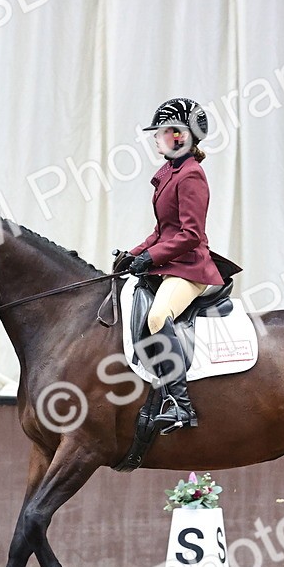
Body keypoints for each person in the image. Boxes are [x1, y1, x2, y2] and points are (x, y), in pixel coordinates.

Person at [122, 97, 224, 434]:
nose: (156, 138)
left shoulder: (192, 175)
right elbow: (161, 230)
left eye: (163, 133)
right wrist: (132, 254)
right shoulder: (169, 171)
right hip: (170, 265)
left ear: (181, 136)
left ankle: (180, 404)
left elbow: (191, 234)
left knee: (156, 316)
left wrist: (149, 258)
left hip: (191, 268)